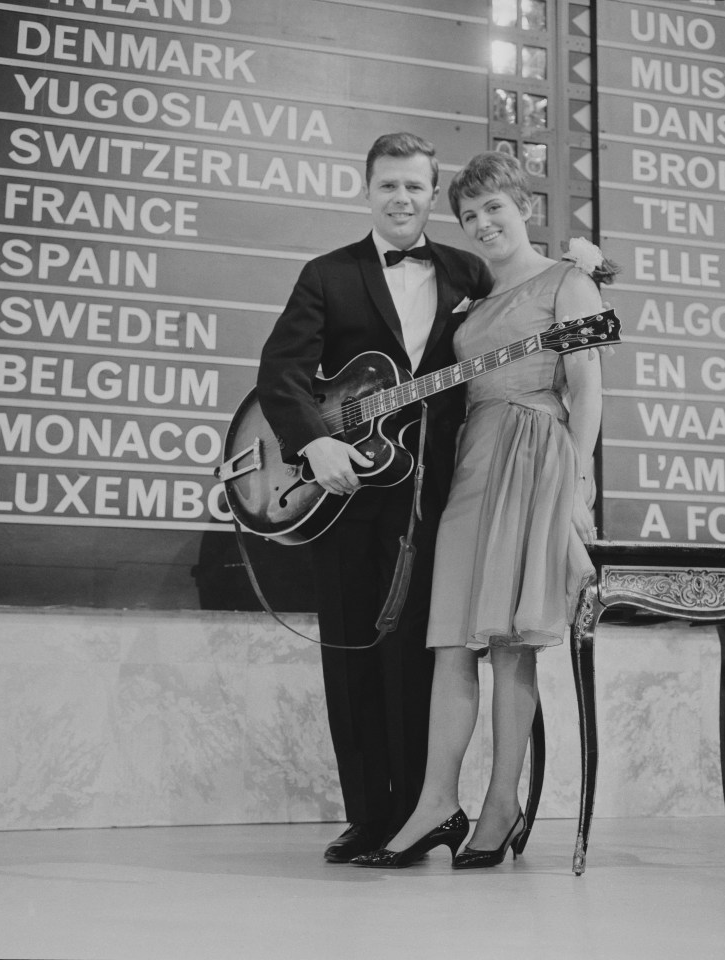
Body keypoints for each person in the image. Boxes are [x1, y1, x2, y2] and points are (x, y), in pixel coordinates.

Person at [351, 151, 617, 869]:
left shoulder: (570, 281)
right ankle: (437, 802)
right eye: (469, 216)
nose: (482, 224)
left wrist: (577, 486)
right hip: (473, 461)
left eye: (493, 208)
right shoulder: (466, 299)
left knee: (510, 643)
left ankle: (502, 803)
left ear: (521, 206)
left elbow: (587, 387)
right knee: (449, 643)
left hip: (536, 454)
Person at [256, 133, 492, 863]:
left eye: (415, 187)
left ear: (432, 194)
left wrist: (579, 272)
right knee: (352, 649)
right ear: (368, 190)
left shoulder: (469, 273)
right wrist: (313, 443)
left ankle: (423, 813)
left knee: (423, 654)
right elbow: (281, 371)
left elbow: (525, 328)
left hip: (441, 491)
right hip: (346, 491)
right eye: (388, 185)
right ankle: (367, 815)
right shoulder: (328, 274)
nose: (401, 199)